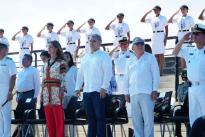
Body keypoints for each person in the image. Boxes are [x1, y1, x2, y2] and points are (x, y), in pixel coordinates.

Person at [75, 34, 112, 137]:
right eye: (90, 41)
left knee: (100, 117)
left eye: (94, 41)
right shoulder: (86, 56)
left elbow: (108, 73)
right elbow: (80, 73)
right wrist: (77, 88)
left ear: (99, 43)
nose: (91, 43)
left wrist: (104, 87)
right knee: (90, 118)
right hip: (87, 92)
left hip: (98, 91)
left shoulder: (104, 55)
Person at [124, 37, 160, 137]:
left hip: (147, 93)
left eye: (142, 44)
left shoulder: (151, 57)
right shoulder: (129, 60)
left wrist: (155, 89)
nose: (140, 45)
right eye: (137, 44)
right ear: (133, 47)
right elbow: (126, 78)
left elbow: (156, 74)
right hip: (134, 93)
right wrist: (126, 92)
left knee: (148, 119)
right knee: (136, 120)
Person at [172, 23, 205, 126]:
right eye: (193, 34)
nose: (194, 36)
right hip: (192, 89)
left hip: (203, 87)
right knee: (194, 120)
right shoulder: (190, 49)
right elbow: (174, 52)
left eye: (197, 34)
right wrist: (182, 39)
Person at [41, 41, 67, 137]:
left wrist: (62, 89)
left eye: (51, 47)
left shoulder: (61, 62)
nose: (49, 48)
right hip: (46, 93)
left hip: (56, 91)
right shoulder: (45, 63)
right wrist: (41, 94)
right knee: (49, 119)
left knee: (58, 118)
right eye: (48, 47)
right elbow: (43, 79)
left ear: (56, 49)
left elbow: (63, 77)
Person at [14, 54, 40, 137]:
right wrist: (17, 95)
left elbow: (37, 84)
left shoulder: (34, 70)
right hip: (20, 96)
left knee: (29, 115)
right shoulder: (21, 71)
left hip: (29, 95)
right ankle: (22, 134)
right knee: (20, 115)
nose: (22, 61)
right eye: (22, 59)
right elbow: (18, 84)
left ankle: (30, 134)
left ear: (29, 61)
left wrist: (34, 97)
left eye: (24, 59)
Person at [140, 5, 168, 76]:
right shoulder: (151, 18)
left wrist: (165, 39)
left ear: (159, 10)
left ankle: (161, 71)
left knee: (161, 55)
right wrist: (148, 12)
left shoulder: (163, 18)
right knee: (155, 55)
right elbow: (142, 20)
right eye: (154, 10)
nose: (155, 11)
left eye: (157, 9)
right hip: (154, 36)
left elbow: (167, 29)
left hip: (161, 35)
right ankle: (157, 70)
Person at [0, 43, 17, 137]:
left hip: (6, 92)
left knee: (6, 117)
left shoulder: (9, 61)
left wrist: (10, 92)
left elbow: (13, 77)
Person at [63, 51, 78, 137]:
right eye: (64, 56)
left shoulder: (74, 68)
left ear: (70, 58)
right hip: (63, 96)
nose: (65, 58)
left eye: (67, 56)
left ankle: (73, 135)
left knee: (72, 117)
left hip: (72, 96)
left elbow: (78, 82)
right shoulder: (60, 68)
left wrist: (77, 92)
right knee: (64, 119)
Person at [174, 69, 190, 137]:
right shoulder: (180, 86)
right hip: (185, 108)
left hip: (194, 109)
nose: (186, 79)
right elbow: (180, 99)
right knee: (177, 112)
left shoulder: (194, 86)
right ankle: (178, 134)